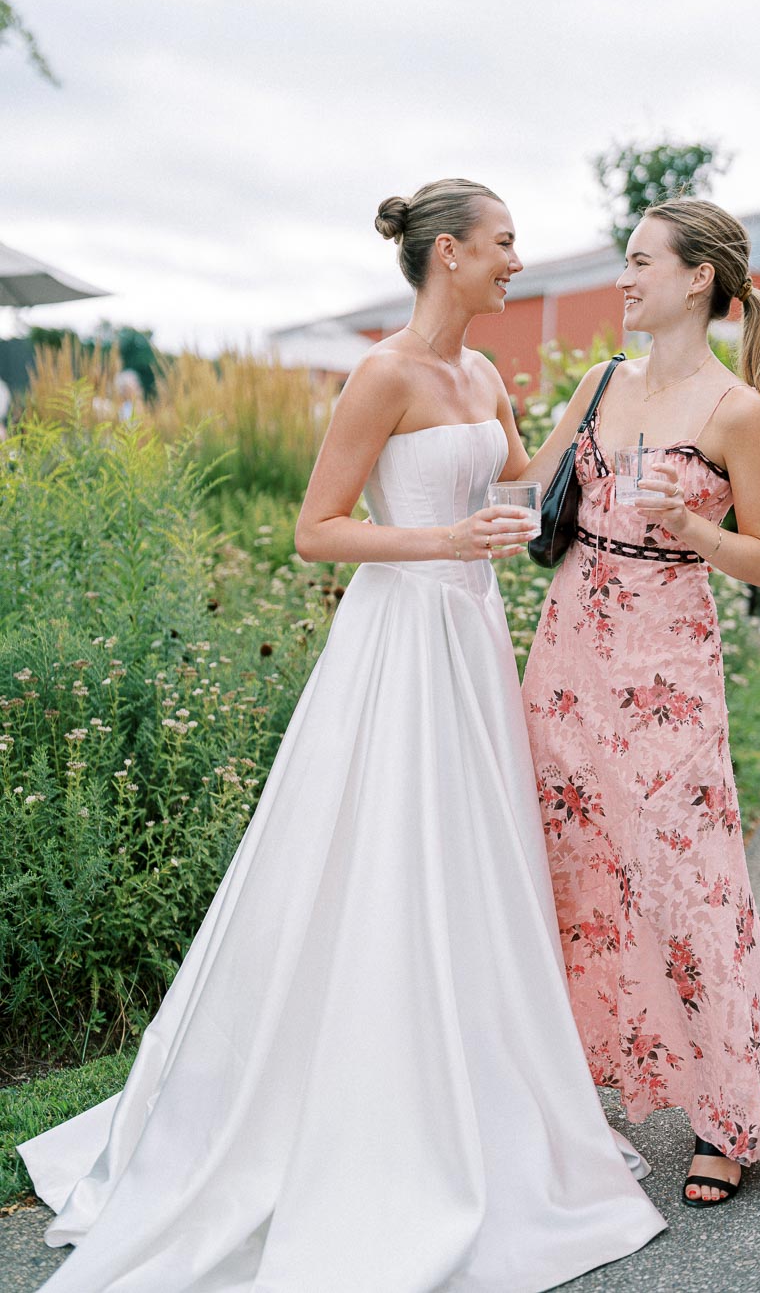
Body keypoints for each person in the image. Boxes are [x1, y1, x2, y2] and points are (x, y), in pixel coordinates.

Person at [19, 179, 664, 1292]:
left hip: (469, 645)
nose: (520, 260)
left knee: (475, 863)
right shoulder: (380, 373)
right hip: (398, 642)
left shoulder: (479, 375)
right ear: (449, 254)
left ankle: (477, 1090)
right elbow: (318, 531)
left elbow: (517, 475)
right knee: (376, 856)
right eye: (506, 244)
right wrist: (447, 539)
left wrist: (600, 404)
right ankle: (356, 1109)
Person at [521, 197, 760, 1208]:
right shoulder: (599, 381)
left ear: (699, 278)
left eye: (642, 261)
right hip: (568, 653)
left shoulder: (735, 410)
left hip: (668, 667)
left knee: (688, 875)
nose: (625, 276)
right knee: (570, 865)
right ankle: (574, 1087)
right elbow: (530, 487)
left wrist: (694, 523)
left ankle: (727, 1114)